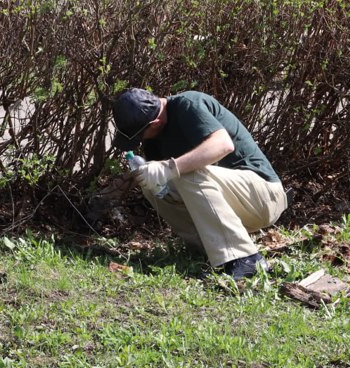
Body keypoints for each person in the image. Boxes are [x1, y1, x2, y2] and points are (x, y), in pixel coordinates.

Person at [112, 88, 288, 280]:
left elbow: (223, 145)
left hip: (264, 195)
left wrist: (170, 168)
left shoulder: (188, 104)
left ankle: (245, 259)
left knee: (186, 172)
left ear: (156, 122)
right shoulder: (155, 135)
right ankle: (206, 251)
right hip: (235, 200)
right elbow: (164, 179)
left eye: (140, 136)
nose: (140, 142)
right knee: (152, 184)